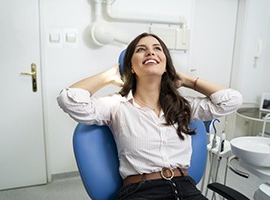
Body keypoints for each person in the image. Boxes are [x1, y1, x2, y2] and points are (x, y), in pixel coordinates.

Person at [57, 32, 242, 200]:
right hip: (141, 192)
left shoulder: (184, 107)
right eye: (141, 49)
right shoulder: (116, 105)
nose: (150, 53)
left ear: (166, 65)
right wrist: (109, 75)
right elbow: (69, 100)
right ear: (130, 65)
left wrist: (188, 80)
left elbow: (231, 100)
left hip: (187, 190)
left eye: (157, 49)